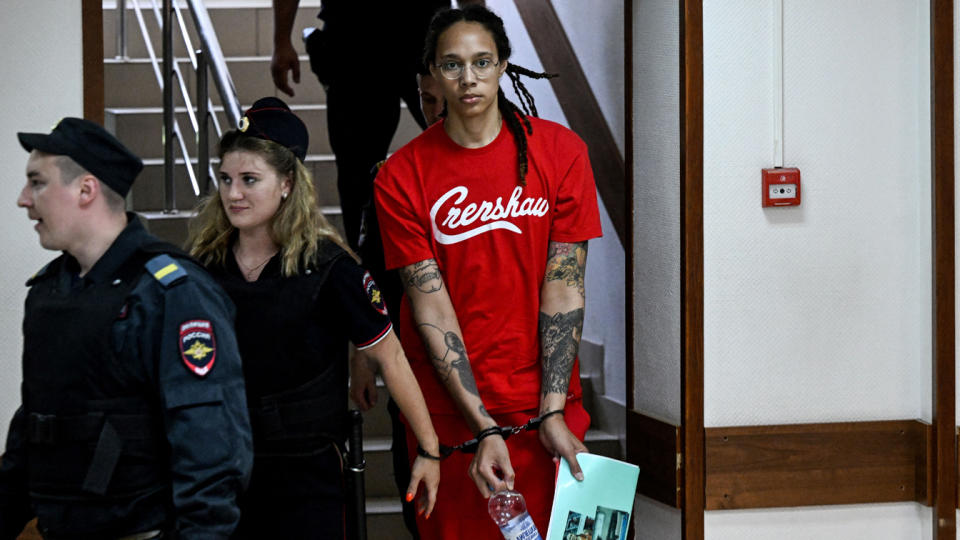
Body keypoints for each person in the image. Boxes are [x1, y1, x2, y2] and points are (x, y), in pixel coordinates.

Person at [374, 5, 602, 539]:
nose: (468, 77)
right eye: (451, 65)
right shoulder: (401, 176)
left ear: (503, 66)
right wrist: (483, 429)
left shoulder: (562, 153)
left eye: (482, 61)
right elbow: (430, 305)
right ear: (431, 72)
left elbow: (565, 284)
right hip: (453, 416)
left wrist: (550, 412)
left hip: (547, 404)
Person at [188, 97, 441, 539]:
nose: (232, 194)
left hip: (306, 473)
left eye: (249, 180)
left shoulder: (329, 266)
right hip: (223, 468)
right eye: (225, 179)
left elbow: (392, 358)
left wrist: (430, 449)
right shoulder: (204, 265)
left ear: (287, 183)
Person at [0, 118, 253, 539]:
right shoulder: (50, 292)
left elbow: (209, 450)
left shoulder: (172, 294)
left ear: (86, 189)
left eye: (37, 182)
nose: (24, 200)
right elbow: (33, 432)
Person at [270, 0, 450, 251]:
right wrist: (281, 41)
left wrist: (482, 35)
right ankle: (367, 273)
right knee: (357, 176)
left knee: (464, 152)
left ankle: (474, 252)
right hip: (355, 43)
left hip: (426, 36)